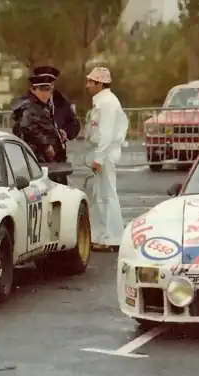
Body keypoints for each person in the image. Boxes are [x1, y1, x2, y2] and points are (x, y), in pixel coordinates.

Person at [85, 67, 129, 252]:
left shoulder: (108, 103)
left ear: (100, 83)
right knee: (101, 195)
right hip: (103, 152)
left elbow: (106, 133)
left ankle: (113, 238)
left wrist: (99, 158)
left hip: (106, 152)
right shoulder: (102, 102)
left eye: (91, 82)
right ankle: (103, 236)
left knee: (108, 195)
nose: (87, 85)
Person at [9, 72, 63, 173]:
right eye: (42, 89)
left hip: (44, 157)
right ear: (33, 90)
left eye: (48, 89)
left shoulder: (41, 105)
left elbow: (42, 125)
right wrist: (45, 145)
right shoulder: (30, 106)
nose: (46, 93)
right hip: (37, 156)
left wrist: (58, 133)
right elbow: (27, 126)